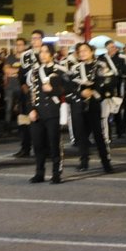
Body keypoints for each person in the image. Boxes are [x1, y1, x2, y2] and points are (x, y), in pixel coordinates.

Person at [64, 42, 114, 174]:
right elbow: (69, 87)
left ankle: (106, 163)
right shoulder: (74, 68)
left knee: (99, 135)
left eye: (85, 50)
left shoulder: (101, 66)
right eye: (80, 51)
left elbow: (108, 84)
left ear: (92, 51)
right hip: (78, 106)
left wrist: (93, 93)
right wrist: (80, 93)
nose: (82, 53)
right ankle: (83, 161)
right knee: (81, 135)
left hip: (94, 105)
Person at [26, 43, 68, 183]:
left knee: (54, 144)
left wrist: (52, 90)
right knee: (38, 145)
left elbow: (67, 91)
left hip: (52, 112)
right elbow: (31, 93)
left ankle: (56, 173)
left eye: (46, 52)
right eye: (41, 52)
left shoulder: (60, 70)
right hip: (37, 113)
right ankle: (39, 173)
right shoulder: (35, 71)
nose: (42, 54)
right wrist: (31, 109)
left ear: (52, 54)